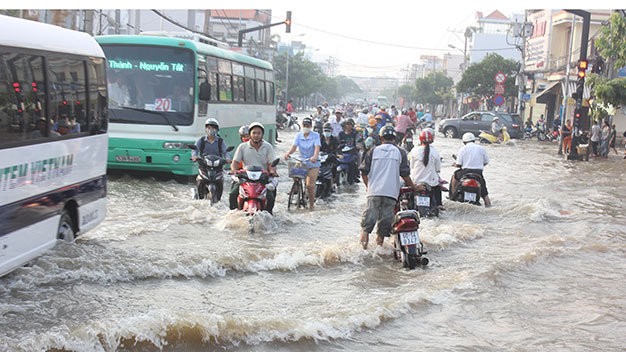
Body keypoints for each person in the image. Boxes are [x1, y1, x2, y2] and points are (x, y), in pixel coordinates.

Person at [358, 125, 423, 249]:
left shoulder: (373, 151)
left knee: (366, 226)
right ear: (394, 138)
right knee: (383, 227)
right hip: (391, 194)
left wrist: (368, 187)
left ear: (381, 137)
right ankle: (379, 249)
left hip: (374, 192)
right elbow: (405, 175)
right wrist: (414, 187)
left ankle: (363, 252)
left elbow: (364, 172)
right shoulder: (400, 152)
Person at [229, 122, 277, 214]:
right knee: (233, 194)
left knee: (270, 197)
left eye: (259, 133)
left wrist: (272, 171)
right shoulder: (242, 147)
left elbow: (272, 163)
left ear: (262, 134)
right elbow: (235, 162)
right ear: (250, 134)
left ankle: (269, 216)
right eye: (254, 133)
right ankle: (233, 215)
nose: (256, 135)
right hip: (245, 178)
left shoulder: (268, 147)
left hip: (262, 179)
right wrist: (234, 171)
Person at [284, 117, 321, 209]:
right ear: (302, 126)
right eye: (304, 125)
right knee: (294, 172)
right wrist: (288, 153)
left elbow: (317, 148)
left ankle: (311, 205)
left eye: (308, 126)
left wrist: (315, 156)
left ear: (311, 126)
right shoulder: (298, 135)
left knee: (310, 186)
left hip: (313, 163)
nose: (306, 127)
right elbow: (294, 147)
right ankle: (296, 188)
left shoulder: (315, 135)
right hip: (302, 161)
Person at [192, 118, 230, 200]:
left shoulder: (220, 141)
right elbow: (195, 149)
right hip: (204, 166)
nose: (211, 130)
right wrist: (194, 156)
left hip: (217, 166)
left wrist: (228, 158)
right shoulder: (201, 140)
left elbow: (226, 152)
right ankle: (199, 196)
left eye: (213, 128)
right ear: (206, 129)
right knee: (200, 179)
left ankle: (219, 198)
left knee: (220, 181)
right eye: (209, 127)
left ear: (217, 130)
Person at [451, 132, 492, 207]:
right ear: (474, 140)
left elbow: (459, 164)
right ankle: (488, 206)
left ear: (464, 142)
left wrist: (455, 164)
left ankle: (453, 196)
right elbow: (486, 162)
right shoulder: (481, 148)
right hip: (478, 174)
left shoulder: (462, 149)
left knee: (454, 175)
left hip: (465, 173)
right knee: (485, 194)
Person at [409, 128, 443, 208]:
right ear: (432, 140)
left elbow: (412, 166)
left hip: (416, 181)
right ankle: (439, 205)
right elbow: (438, 169)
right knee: (438, 189)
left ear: (420, 139)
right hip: (431, 183)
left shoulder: (414, 150)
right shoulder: (435, 152)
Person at [338, 118, 362, 183]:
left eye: (350, 124)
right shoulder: (341, 134)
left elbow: (358, 141)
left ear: (352, 125)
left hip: (353, 152)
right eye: (347, 124)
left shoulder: (355, 133)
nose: (348, 126)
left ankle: (355, 174)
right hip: (342, 153)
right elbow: (338, 143)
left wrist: (358, 145)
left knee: (354, 162)